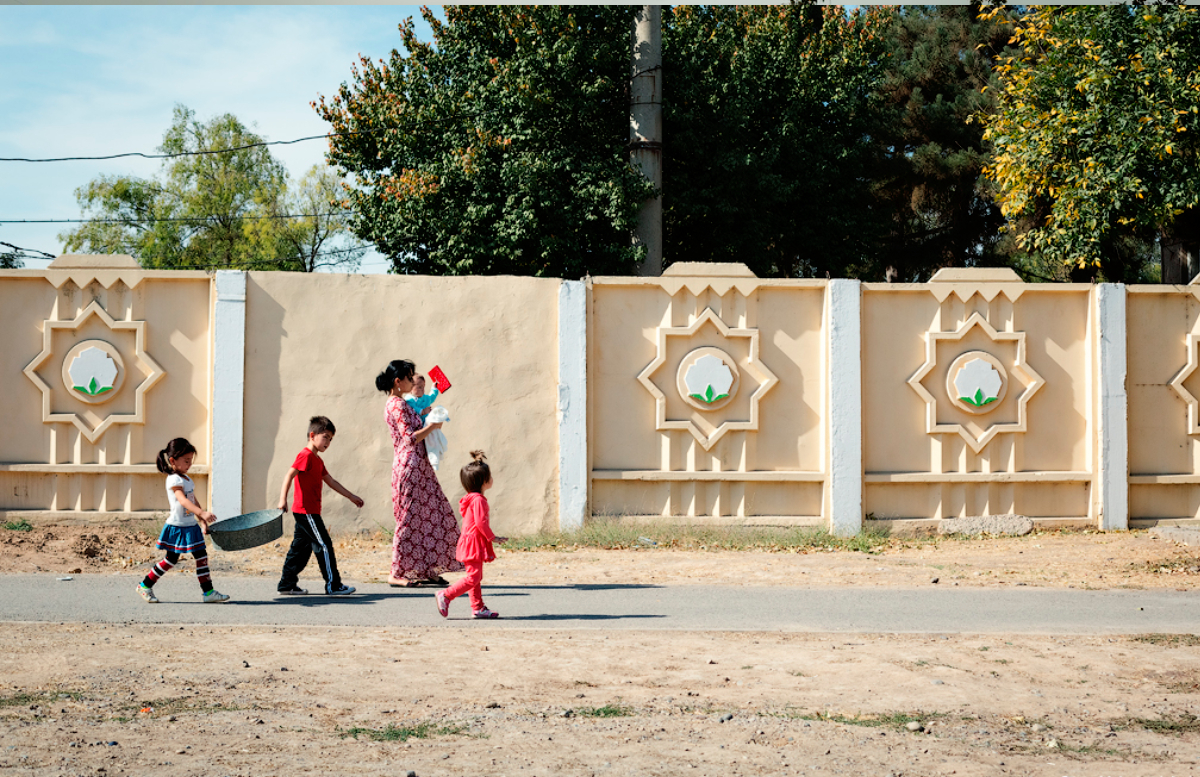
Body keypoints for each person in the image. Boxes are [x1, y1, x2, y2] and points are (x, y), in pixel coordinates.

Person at [376, 359, 463, 587]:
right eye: (409, 377)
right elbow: (410, 438)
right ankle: (396, 573)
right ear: (398, 381)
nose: (413, 380)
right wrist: (433, 426)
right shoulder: (396, 404)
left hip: (419, 467)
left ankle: (427, 569)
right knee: (409, 519)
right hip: (410, 466)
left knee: (431, 516)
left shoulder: (401, 402)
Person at [276, 415, 363, 596]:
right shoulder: (305, 456)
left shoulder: (318, 460)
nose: (328, 442)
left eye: (331, 439)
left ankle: (287, 584)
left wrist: (351, 496)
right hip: (306, 511)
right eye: (325, 437)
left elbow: (331, 482)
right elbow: (289, 475)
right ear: (312, 435)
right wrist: (282, 500)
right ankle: (333, 585)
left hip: (308, 512)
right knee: (324, 545)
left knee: (300, 550)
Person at [138, 437, 229, 604]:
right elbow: (183, 500)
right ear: (173, 460)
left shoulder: (187, 479)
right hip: (177, 527)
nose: (190, 464)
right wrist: (202, 512)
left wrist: (202, 519)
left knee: (201, 556)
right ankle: (145, 585)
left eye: (191, 460)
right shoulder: (174, 479)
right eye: (186, 461)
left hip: (190, 526)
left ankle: (208, 592)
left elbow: (192, 500)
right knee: (171, 560)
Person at [437, 451, 506, 619]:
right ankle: (446, 595)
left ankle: (478, 608)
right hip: (473, 542)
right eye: (489, 476)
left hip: (469, 542)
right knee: (474, 577)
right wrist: (493, 537)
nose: (492, 478)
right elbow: (481, 523)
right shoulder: (479, 500)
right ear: (483, 481)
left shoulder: (471, 498)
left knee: (474, 577)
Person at [405, 375, 449, 470]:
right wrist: (422, 411)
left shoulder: (425, 398)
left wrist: (434, 388)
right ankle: (433, 458)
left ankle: (436, 455)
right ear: (410, 388)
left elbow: (431, 397)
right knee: (429, 443)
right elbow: (412, 408)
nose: (423, 389)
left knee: (434, 439)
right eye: (419, 387)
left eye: (424, 387)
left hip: (427, 426)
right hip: (418, 429)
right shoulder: (409, 399)